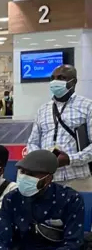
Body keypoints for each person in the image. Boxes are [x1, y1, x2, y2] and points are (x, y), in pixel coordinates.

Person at [27, 64, 92, 192]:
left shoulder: (87, 106)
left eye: (61, 78)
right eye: (53, 78)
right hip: (47, 179)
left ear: (73, 82)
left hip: (78, 178)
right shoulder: (43, 109)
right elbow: (33, 142)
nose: (55, 81)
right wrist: (40, 160)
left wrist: (70, 159)